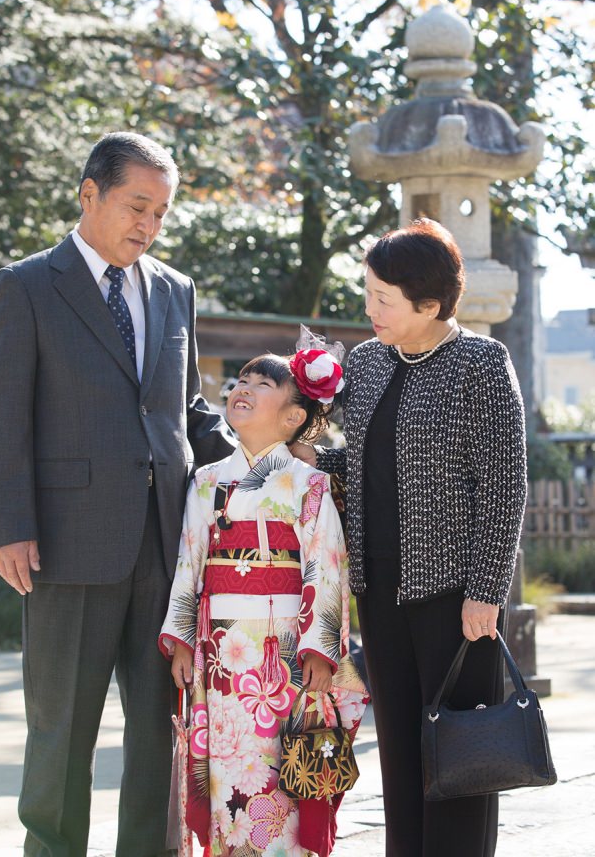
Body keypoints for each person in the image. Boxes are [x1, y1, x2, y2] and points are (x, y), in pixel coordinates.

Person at [0, 131, 235, 857]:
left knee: (161, 731)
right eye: (137, 207)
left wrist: (269, 450)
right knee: (62, 732)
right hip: (64, 546)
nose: (148, 227)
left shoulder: (174, 289)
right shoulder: (25, 286)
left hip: (165, 547)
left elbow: (188, 412)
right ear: (89, 194)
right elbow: (2, 419)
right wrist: (11, 526)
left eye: (161, 213)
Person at [297, 219, 527, 857]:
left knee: (458, 753)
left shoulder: (482, 363)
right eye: (367, 293)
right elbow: (368, 466)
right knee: (399, 749)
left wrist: (486, 591)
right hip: (382, 590)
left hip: (457, 597)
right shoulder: (367, 364)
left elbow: (504, 485)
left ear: (430, 304)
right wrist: (306, 457)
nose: (369, 311)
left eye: (383, 300)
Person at [159, 346, 369, 857]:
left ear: (295, 416)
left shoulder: (310, 484)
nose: (243, 390)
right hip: (223, 653)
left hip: (288, 654)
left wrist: (321, 651)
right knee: (228, 770)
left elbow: (326, 567)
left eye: (262, 385)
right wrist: (183, 640)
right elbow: (190, 561)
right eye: (241, 381)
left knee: (282, 772)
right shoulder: (207, 481)